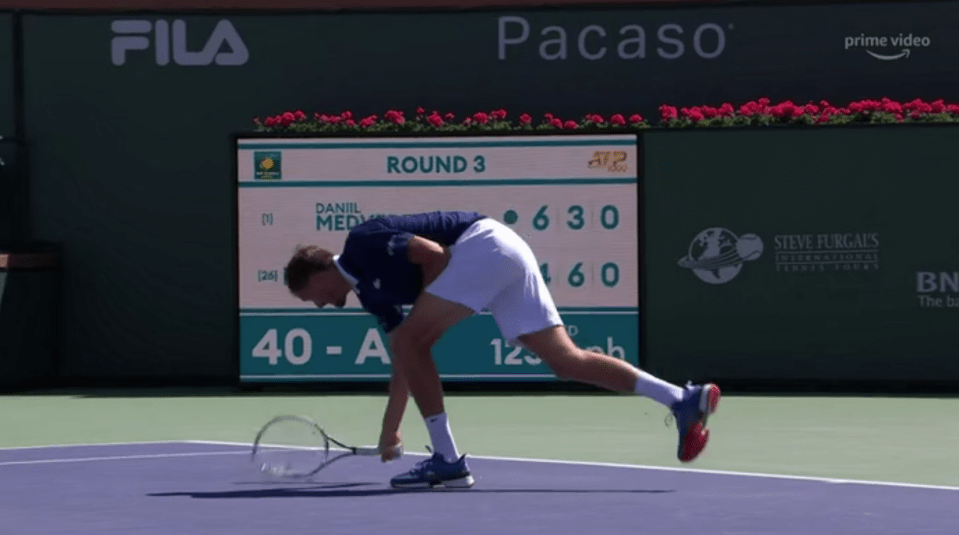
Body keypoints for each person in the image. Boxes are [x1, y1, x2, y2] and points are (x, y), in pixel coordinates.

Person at [283, 210, 719, 489]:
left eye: (310, 296)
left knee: (415, 340)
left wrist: (424, 316)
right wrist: (390, 428)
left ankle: (448, 460)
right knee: (566, 362)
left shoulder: (362, 242)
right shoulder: (372, 299)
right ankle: (681, 399)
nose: (319, 304)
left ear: (318, 273)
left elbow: (432, 253)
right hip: (504, 254)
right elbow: (405, 356)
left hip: (485, 245)